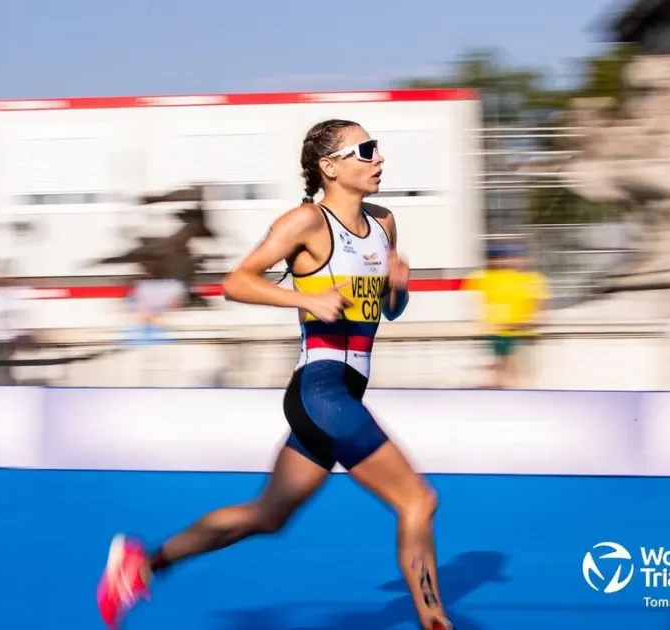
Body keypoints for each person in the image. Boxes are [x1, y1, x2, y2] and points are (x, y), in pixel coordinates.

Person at [96, 119, 453, 630]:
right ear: (330, 167)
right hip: (321, 390)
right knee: (418, 500)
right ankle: (435, 619)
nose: (379, 159)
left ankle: (142, 564)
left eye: (377, 149)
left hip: (343, 395)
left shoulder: (384, 223)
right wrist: (307, 298)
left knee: (267, 517)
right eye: (365, 150)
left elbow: (388, 311)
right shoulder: (306, 222)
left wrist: (397, 288)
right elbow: (236, 282)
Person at [461, 242, 548, 388]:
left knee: (519, 372)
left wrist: (532, 321)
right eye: (496, 258)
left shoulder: (532, 278)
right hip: (500, 332)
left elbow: (540, 303)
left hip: (522, 332)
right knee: (506, 372)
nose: (505, 262)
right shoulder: (485, 277)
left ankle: (508, 387)